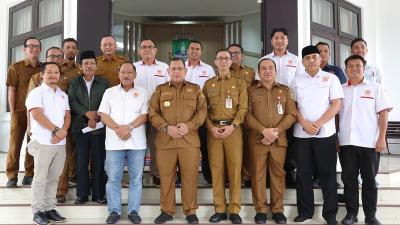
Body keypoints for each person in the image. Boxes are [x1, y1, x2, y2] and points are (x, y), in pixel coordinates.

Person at [149, 58, 207, 224]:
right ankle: (167, 211)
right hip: (166, 142)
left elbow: (202, 112)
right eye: (173, 69)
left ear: (185, 71)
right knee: (166, 178)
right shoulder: (159, 90)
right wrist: (167, 128)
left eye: (179, 68)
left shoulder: (195, 89)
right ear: (168, 72)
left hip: (189, 142)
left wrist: (189, 126)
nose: (176, 71)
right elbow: (153, 113)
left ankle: (190, 211)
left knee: (189, 178)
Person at [290, 45, 343, 225]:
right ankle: (305, 211)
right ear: (303, 61)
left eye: (314, 57)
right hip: (301, 135)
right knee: (303, 174)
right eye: (307, 58)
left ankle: (330, 215)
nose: (311, 60)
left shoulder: (331, 78)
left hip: (325, 134)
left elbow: (336, 105)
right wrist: (304, 123)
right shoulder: (296, 81)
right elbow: (293, 107)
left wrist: (318, 124)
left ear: (320, 59)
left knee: (327, 175)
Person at [339, 55, 392, 225]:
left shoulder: (375, 88)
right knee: (349, 181)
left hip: (369, 143)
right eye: (350, 66)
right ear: (346, 69)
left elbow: (383, 113)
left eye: (358, 66)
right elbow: (335, 115)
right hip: (346, 143)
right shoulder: (340, 89)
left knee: (369, 181)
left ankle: (370, 216)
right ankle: (351, 215)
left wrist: (381, 138)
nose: (354, 69)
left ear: (364, 68)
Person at [246, 58, 296, 224]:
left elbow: (291, 114)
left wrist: (276, 131)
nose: (267, 71)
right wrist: (263, 131)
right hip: (257, 140)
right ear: (258, 72)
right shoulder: (251, 91)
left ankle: (277, 210)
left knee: (278, 175)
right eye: (264, 68)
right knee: (258, 175)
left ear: (275, 71)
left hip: (278, 140)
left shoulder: (285, 90)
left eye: (270, 68)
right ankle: (260, 210)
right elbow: (247, 115)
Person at [98, 62, 149, 224]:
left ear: (135, 74)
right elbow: (103, 114)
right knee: (113, 178)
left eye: (129, 72)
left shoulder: (143, 92)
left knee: (136, 179)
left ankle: (134, 211)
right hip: (114, 142)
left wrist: (129, 127)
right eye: (123, 72)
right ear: (118, 74)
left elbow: (145, 115)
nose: (126, 75)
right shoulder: (109, 92)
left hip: (137, 143)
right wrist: (118, 129)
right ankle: (114, 211)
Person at [203, 49, 248, 224]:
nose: (223, 61)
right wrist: (210, 128)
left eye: (226, 59)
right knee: (217, 170)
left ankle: (234, 209)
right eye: (220, 58)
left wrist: (233, 126)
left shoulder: (240, 83)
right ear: (215, 62)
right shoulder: (208, 84)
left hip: (233, 130)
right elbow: (202, 110)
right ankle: (220, 209)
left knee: (235, 170)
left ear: (231, 62)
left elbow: (243, 107)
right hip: (214, 131)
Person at [26, 62, 71, 225]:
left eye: (56, 72)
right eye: (49, 72)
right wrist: (55, 130)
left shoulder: (63, 95)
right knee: (40, 178)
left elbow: (67, 116)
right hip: (43, 141)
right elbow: (37, 114)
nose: (53, 75)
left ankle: (49, 208)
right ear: (42, 75)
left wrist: (63, 132)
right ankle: (37, 211)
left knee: (54, 178)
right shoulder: (36, 93)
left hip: (59, 143)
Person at [259, 28, 304, 187]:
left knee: (289, 141)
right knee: (266, 142)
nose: (279, 41)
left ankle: (288, 173)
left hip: (289, 104)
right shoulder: (265, 59)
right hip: (267, 105)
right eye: (276, 38)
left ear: (287, 41)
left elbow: (300, 82)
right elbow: (259, 83)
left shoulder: (295, 60)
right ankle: (266, 177)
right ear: (271, 41)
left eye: (282, 38)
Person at [68, 50, 109, 204]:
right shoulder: (74, 82)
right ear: (81, 66)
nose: (89, 66)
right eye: (86, 63)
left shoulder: (104, 83)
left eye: (92, 63)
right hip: (80, 128)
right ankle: (82, 194)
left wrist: (97, 115)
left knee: (99, 162)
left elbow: (107, 102)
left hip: (99, 127)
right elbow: (72, 101)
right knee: (81, 162)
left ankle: (99, 194)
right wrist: (86, 113)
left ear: (96, 66)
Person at [5, 37, 41, 188]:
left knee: (32, 144)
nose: (33, 49)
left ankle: (29, 174)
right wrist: (13, 111)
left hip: (36, 113)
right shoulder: (15, 67)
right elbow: (11, 89)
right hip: (20, 111)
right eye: (30, 46)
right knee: (15, 144)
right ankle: (12, 175)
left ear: (40, 49)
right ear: (24, 49)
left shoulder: (43, 68)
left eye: (37, 46)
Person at [134, 39, 169, 186]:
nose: (147, 49)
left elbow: (169, 88)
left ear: (155, 50)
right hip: (137, 113)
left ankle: (156, 174)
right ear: (139, 51)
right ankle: (137, 175)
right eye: (144, 47)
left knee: (156, 144)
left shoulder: (164, 67)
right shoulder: (133, 67)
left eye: (150, 47)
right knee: (138, 145)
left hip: (158, 113)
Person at [185, 40, 215, 184]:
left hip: (202, 114)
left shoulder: (208, 69)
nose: (194, 51)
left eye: (197, 49)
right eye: (192, 48)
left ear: (201, 51)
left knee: (205, 146)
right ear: (187, 51)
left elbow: (213, 91)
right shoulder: (180, 67)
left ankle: (207, 175)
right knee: (184, 147)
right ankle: (183, 176)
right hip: (183, 115)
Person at [56, 38, 82, 202]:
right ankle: (61, 191)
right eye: (68, 48)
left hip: (80, 118)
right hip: (62, 119)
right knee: (64, 155)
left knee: (79, 153)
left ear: (77, 51)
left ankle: (81, 184)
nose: (71, 50)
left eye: (73, 48)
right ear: (63, 50)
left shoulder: (82, 69)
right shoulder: (57, 70)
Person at [228, 43, 255, 187]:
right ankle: (232, 177)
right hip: (230, 116)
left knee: (248, 147)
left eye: (236, 53)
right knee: (233, 149)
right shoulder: (223, 72)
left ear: (242, 55)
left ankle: (247, 176)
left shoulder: (250, 72)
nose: (234, 56)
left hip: (247, 115)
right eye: (230, 53)